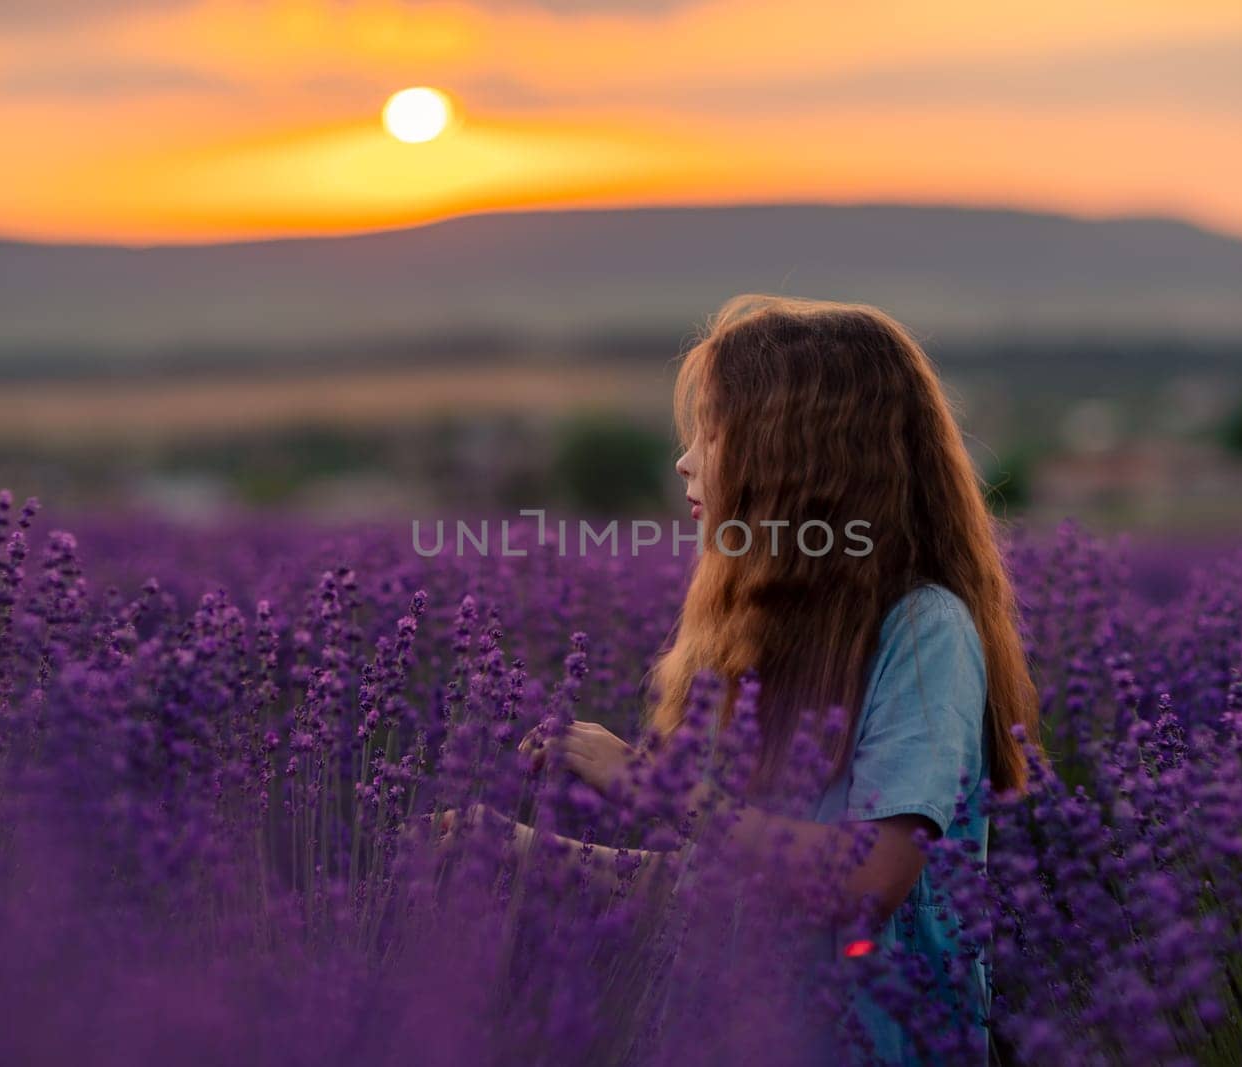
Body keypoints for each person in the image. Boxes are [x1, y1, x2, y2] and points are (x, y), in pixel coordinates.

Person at [442, 293, 1043, 1064]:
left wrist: (649, 783)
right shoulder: (777, 642)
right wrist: (522, 849)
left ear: (799, 457)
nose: (686, 459)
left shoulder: (923, 631)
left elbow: (871, 877)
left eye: (714, 433)